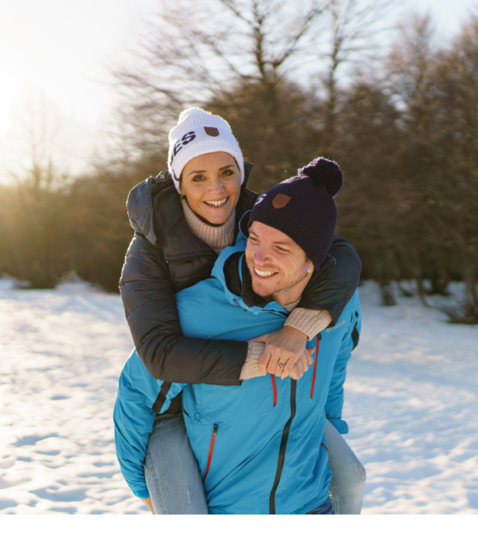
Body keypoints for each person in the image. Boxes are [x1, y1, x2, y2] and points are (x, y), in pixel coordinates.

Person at [118, 108, 365, 514]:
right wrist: (261, 356)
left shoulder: (262, 212)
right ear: (179, 182)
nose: (217, 188)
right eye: (198, 176)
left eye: (227, 172)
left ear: (240, 173)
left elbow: (340, 256)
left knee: (350, 482)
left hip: (262, 400)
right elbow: (157, 358)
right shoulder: (148, 252)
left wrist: (299, 329)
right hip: (174, 404)